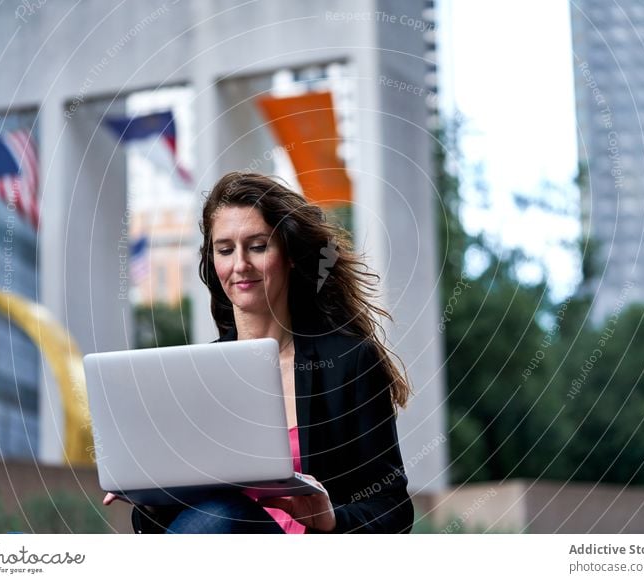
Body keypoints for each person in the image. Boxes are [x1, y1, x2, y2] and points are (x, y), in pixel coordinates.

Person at [104, 171, 414, 533]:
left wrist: (330, 520)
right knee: (218, 514)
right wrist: (151, 501)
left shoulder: (347, 362)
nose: (240, 265)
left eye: (257, 246)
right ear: (213, 261)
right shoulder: (195, 377)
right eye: (225, 250)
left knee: (221, 516)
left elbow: (393, 510)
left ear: (289, 255)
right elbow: (174, 527)